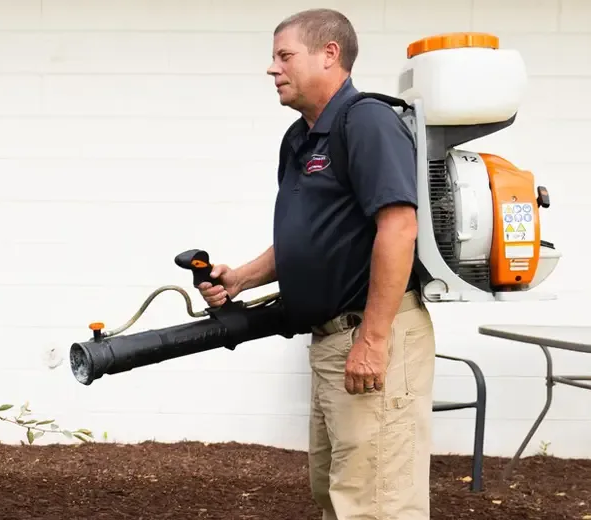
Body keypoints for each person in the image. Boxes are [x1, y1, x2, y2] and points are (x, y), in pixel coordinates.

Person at [194, 8, 435, 520]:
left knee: (376, 502)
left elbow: (399, 228)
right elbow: (308, 238)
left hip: (371, 336)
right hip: (331, 343)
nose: (272, 68)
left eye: (284, 56)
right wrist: (241, 277)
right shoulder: (300, 138)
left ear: (330, 55)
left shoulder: (366, 121)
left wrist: (372, 340)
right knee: (338, 494)